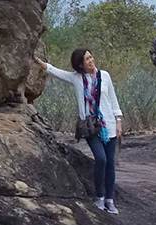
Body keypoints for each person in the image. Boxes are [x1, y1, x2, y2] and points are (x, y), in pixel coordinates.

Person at [39, 48, 123, 214]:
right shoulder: (77, 79)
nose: (91, 61)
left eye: (91, 57)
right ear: (80, 64)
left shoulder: (104, 76)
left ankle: (110, 200)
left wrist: (119, 120)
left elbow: (113, 99)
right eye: (87, 59)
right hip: (90, 127)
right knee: (101, 159)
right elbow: (55, 71)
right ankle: (99, 196)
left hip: (109, 125)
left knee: (110, 163)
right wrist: (37, 61)